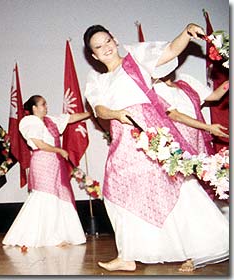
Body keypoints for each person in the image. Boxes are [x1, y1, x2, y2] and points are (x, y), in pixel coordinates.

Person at [83, 24, 229, 272]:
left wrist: (184, 33)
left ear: (114, 39)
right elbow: (99, 109)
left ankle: (205, 246)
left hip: (150, 129)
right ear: (94, 55)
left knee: (173, 184)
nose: (105, 48)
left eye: (107, 41)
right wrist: (117, 114)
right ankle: (128, 254)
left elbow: (170, 51)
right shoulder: (97, 79)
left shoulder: (135, 57)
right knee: (115, 191)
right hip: (123, 133)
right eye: (98, 47)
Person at [2, 95, 90, 248]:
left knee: (58, 196)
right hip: (42, 162)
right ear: (34, 108)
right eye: (43, 104)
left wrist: (91, 113)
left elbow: (70, 118)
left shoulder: (50, 120)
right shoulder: (29, 122)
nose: (46, 107)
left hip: (55, 163)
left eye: (46, 104)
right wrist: (58, 150)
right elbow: (39, 143)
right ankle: (50, 237)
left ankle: (61, 233)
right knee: (46, 196)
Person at [153, 73, 229, 155]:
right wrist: (208, 127)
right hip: (179, 135)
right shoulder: (158, 86)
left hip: (197, 133)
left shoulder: (185, 81)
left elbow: (214, 96)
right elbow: (176, 115)